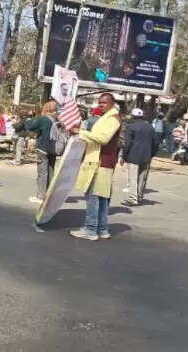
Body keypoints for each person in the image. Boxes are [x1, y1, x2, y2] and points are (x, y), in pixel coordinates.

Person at [70, 93, 122, 241]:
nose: (100, 105)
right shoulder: (108, 118)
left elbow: (103, 138)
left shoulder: (113, 119)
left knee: (94, 197)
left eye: (104, 103)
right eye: (99, 102)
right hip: (102, 161)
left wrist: (81, 132)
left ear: (112, 103)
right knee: (101, 197)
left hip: (101, 162)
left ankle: (91, 229)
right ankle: (102, 229)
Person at [21, 99, 58, 204]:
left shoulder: (44, 119)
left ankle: (41, 196)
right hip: (53, 149)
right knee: (51, 172)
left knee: (42, 173)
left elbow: (31, 127)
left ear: (46, 109)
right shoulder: (56, 120)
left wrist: (28, 118)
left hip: (43, 149)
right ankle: (49, 195)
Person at [121, 108, 159, 206]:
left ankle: (133, 198)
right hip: (146, 156)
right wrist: (152, 154)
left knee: (133, 178)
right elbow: (156, 142)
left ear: (133, 117)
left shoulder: (130, 127)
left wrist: (124, 156)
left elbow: (127, 143)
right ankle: (139, 196)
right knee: (142, 178)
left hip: (133, 156)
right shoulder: (150, 127)